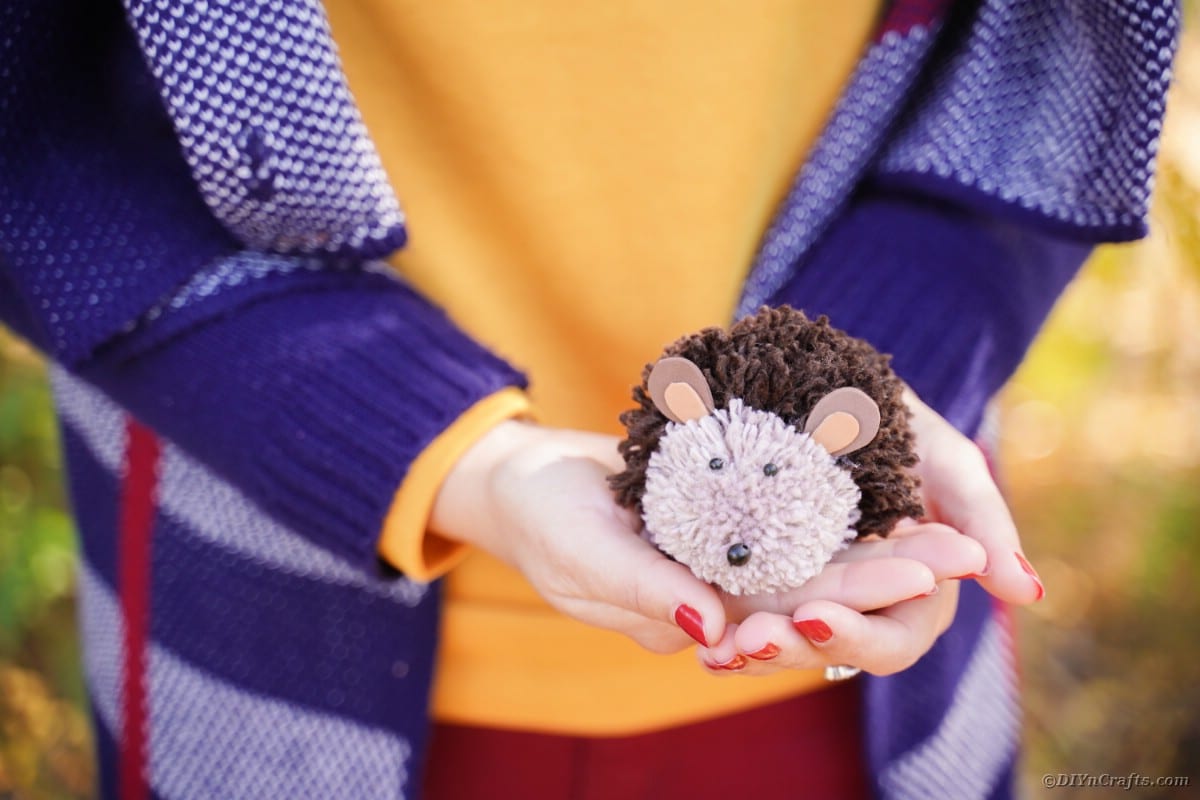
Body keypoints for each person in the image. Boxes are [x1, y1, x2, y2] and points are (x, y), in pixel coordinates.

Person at [0, 0, 1180, 798]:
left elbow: (1049, 62)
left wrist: (897, 342)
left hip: (856, 672)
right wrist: (456, 457)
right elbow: (40, 126)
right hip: (257, 608)